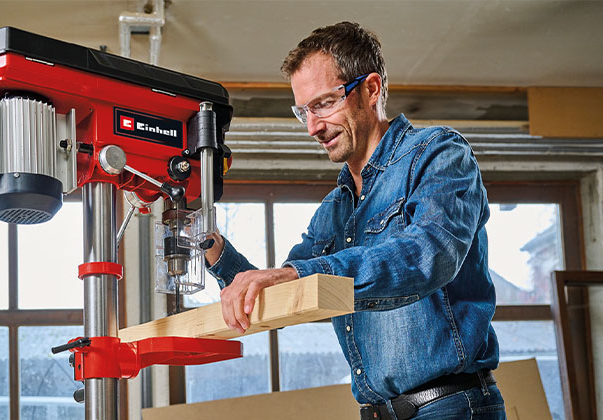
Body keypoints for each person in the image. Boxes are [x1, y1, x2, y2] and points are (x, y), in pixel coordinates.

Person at [204, 21, 505, 420]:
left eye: (324, 103)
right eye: (304, 111)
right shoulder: (335, 209)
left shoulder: (438, 154)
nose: (312, 127)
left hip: (448, 407)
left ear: (371, 89)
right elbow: (280, 295)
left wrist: (298, 273)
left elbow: (427, 256)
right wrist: (211, 246)